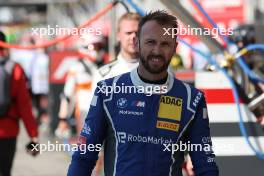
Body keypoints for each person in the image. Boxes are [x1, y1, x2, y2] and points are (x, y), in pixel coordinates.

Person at [67, 11, 219, 176]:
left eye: (165, 44)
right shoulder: (108, 91)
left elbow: (205, 164)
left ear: (175, 47)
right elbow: (84, 156)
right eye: (150, 42)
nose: (157, 51)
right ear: (137, 43)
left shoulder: (191, 99)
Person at [0, 31, 39, 176]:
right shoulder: (14, 68)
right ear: (6, 46)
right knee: (5, 171)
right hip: (8, 131)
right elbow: (24, 106)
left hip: (8, 130)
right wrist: (33, 136)